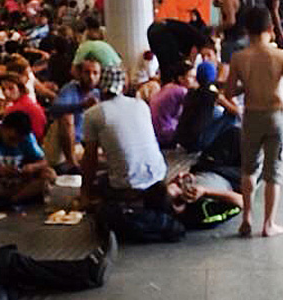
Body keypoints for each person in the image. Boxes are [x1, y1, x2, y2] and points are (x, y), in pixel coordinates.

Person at [225, 6, 283, 238]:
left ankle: (246, 218)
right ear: (270, 29)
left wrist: (249, 84)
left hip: (251, 116)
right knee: (273, 172)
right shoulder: (281, 56)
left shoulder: (238, 57)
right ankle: (268, 224)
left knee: (248, 169)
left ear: (246, 30)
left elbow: (229, 92)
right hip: (275, 116)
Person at [80, 65, 168, 202]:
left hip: (128, 187)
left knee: (101, 182)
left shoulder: (93, 114)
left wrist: (84, 193)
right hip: (159, 177)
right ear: (124, 87)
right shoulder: (141, 105)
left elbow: (90, 159)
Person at [47, 58, 103, 171]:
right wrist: (81, 105)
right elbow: (54, 109)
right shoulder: (70, 89)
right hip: (66, 144)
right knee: (67, 116)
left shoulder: (97, 94)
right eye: (87, 72)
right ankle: (72, 164)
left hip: (86, 143)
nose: (91, 77)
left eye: (95, 73)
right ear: (80, 74)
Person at [174, 60, 241, 152]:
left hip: (183, 141)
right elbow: (236, 111)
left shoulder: (192, 92)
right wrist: (231, 96)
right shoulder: (212, 93)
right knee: (230, 117)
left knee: (214, 114)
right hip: (197, 143)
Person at [210, 0, 245, 78]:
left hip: (233, 40)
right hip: (242, 38)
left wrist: (216, 29)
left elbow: (231, 21)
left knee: (229, 72)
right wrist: (220, 5)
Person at [149, 61, 193, 148]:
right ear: (181, 79)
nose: (196, 79)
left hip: (155, 132)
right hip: (166, 134)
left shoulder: (169, 86)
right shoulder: (181, 91)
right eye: (192, 77)